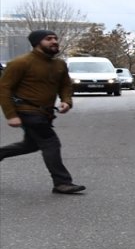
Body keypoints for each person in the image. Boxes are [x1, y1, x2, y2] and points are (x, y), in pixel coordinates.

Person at [0, 30, 85, 195]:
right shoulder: (20, 63)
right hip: (26, 111)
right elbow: (4, 89)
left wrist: (66, 101)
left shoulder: (59, 64)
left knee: (31, 144)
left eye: (55, 39)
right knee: (50, 142)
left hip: (44, 113)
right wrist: (11, 115)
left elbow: (65, 85)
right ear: (37, 43)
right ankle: (62, 183)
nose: (54, 41)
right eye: (48, 39)